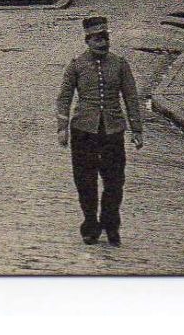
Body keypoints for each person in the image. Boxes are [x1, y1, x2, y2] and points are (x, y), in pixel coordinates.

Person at [56, 15, 144, 247]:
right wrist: (62, 128)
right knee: (85, 180)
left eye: (105, 38)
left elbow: (131, 97)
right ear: (87, 41)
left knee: (115, 181)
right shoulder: (76, 65)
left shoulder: (120, 64)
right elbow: (64, 97)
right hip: (83, 130)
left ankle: (111, 223)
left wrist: (137, 129)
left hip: (113, 130)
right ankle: (90, 225)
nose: (102, 43)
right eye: (97, 39)